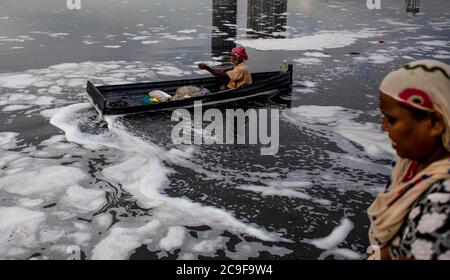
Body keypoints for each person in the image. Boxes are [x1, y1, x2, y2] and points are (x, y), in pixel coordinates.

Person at [367, 59, 450, 260]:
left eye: (392, 119)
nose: (383, 127)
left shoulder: (441, 204)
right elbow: (389, 247)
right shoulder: (409, 164)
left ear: (435, 123)